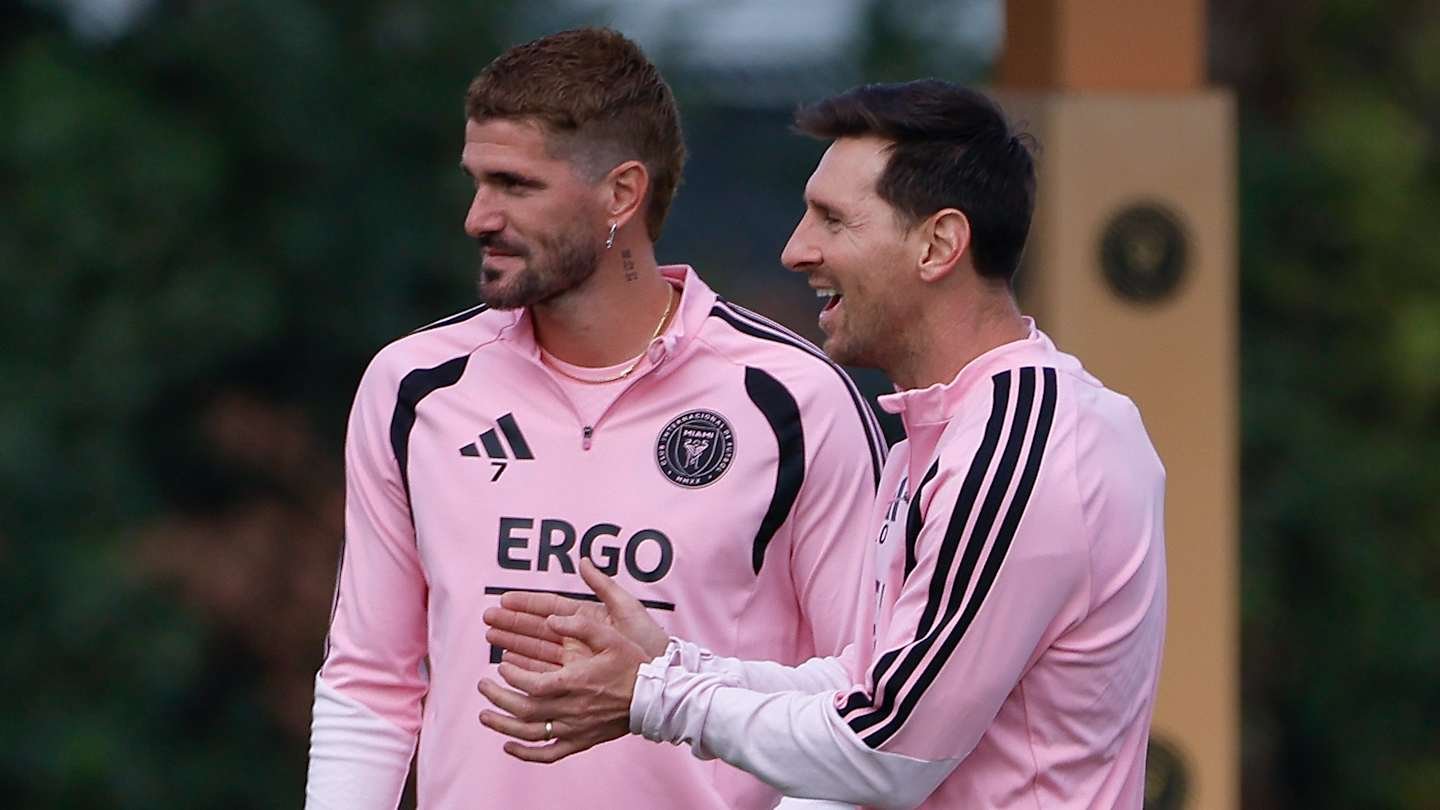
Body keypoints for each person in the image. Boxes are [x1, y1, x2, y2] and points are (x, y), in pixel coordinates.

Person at [480, 79, 1169, 809]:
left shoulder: (1021, 445)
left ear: (938, 244)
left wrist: (655, 696)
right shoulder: (946, 434)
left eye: (832, 220)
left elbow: (884, 749)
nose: (794, 251)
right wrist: (669, 663)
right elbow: (863, 685)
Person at [304, 28, 886, 810]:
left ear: (621, 194)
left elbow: (861, 699)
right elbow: (369, 681)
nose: (479, 216)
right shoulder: (413, 386)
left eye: (515, 185)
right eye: (477, 181)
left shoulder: (796, 401)